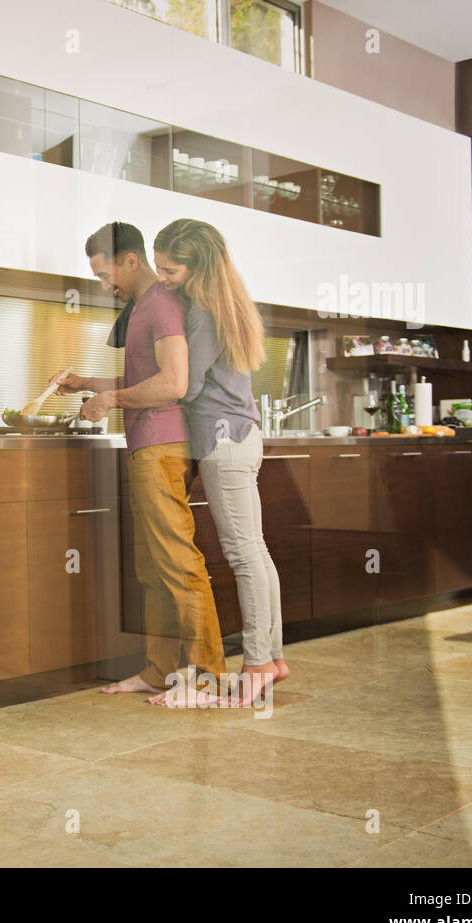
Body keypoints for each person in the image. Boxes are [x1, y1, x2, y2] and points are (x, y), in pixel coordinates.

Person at [51, 221, 225, 707]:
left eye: (108, 275)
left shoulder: (163, 304)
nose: (107, 286)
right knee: (152, 568)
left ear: (131, 260)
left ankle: (207, 679)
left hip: (163, 447)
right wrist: (88, 382)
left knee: (178, 565)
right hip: (146, 446)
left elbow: (172, 383)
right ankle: (161, 670)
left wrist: (109, 401)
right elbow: (144, 376)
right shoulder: (143, 307)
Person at [152, 218, 287, 704]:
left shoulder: (204, 312)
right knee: (256, 551)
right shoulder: (226, 302)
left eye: (170, 270)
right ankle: (272, 657)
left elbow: (184, 386)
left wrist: (139, 388)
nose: (162, 277)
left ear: (197, 265)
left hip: (224, 441)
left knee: (244, 555)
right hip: (242, 437)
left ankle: (255, 666)